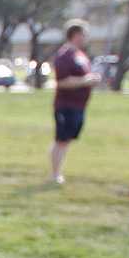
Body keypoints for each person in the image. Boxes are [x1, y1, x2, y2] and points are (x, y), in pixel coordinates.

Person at [49, 20, 98, 184]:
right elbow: (62, 81)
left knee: (67, 141)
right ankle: (55, 173)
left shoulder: (80, 55)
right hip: (66, 106)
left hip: (79, 106)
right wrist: (85, 81)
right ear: (76, 35)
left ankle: (58, 172)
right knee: (61, 140)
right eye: (84, 34)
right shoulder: (65, 55)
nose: (86, 38)